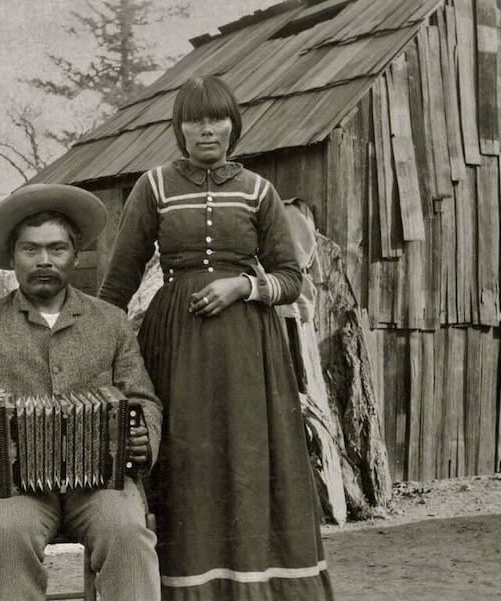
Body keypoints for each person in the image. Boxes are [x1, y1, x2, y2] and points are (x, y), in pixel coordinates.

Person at [98, 76, 335, 600]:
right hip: (175, 349)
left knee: (250, 456)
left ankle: (259, 586)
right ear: (179, 128)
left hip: (251, 352)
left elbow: (292, 278)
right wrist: (91, 346)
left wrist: (243, 286)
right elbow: (119, 279)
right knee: (188, 459)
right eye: (194, 119)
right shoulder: (154, 186)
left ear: (233, 125)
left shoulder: (258, 191)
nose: (206, 130)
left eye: (217, 119)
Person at [0, 183, 163, 601]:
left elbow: (143, 398)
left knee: (129, 532)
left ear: (75, 255)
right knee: (9, 534)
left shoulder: (110, 321)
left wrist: (143, 433)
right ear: (12, 258)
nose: (44, 261)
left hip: (100, 483)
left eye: (57, 249)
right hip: (9, 485)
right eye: (30, 249)